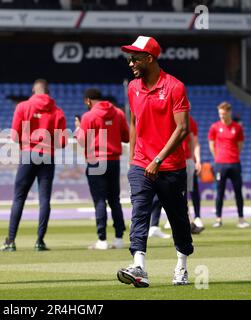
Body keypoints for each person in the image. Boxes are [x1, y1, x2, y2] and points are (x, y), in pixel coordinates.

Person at [116, 36, 194, 288]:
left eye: (135, 58)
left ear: (149, 58)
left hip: (170, 167)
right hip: (141, 164)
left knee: (178, 219)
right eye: (129, 58)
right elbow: (134, 122)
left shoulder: (175, 87)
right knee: (139, 211)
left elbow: (182, 129)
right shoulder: (132, 87)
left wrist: (158, 159)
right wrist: (133, 159)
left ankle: (181, 265)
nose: (130, 63)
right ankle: (139, 266)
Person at [0, 79, 67, 252]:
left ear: (33, 90)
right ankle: (39, 241)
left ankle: (11, 241)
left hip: (29, 154)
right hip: (48, 156)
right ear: (48, 91)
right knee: (44, 199)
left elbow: (14, 136)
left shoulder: (23, 107)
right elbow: (63, 142)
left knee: (19, 197)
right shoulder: (57, 111)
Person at [75, 88, 128, 250]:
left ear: (88, 101)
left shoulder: (88, 116)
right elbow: (126, 137)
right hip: (113, 160)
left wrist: (78, 130)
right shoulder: (118, 113)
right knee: (115, 200)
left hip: (96, 160)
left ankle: (102, 240)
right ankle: (119, 238)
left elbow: (83, 141)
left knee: (99, 200)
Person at [152, 115, 204, 236]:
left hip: (181, 160)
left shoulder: (190, 120)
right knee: (167, 193)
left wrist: (193, 158)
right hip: (169, 160)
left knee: (182, 192)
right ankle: (161, 224)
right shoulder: (166, 118)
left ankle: (186, 222)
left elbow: (193, 140)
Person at [208, 102, 249, 228]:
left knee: (238, 192)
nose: (222, 116)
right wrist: (218, 158)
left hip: (235, 164)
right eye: (220, 114)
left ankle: (241, 219)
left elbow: (240, 145)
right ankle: (218, 219)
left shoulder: (237, 128)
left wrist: (233, 155)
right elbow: (211, 144)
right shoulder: (215, 127)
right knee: (219, 192)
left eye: (224, 114)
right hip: (220, 164)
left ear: (229, 113)